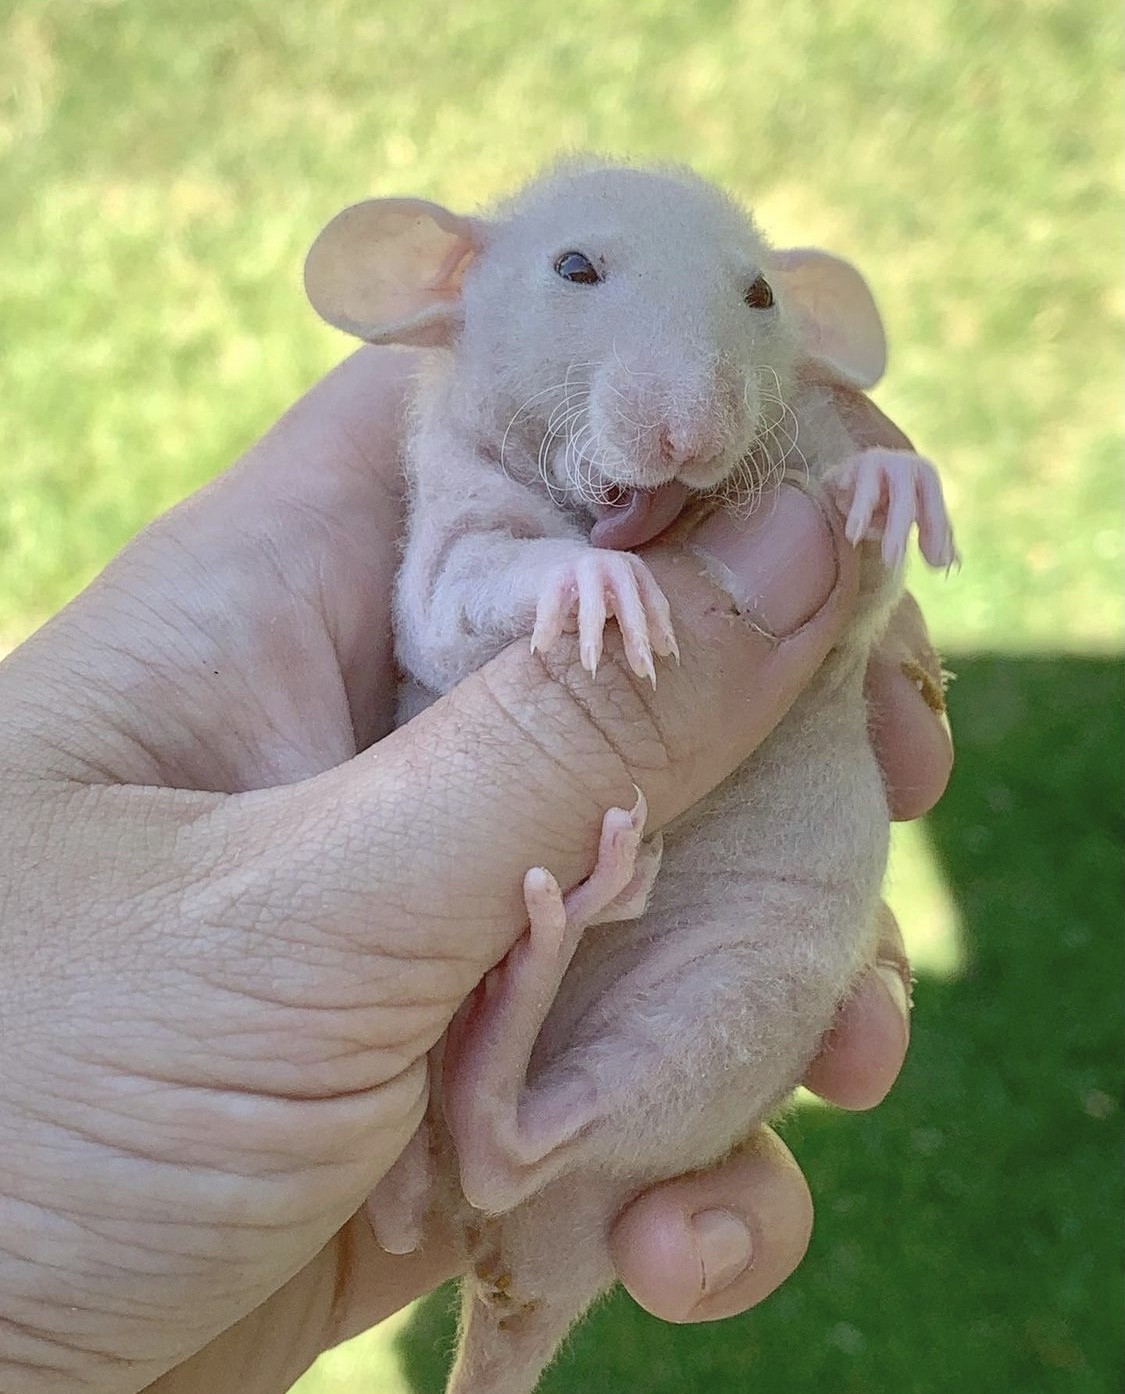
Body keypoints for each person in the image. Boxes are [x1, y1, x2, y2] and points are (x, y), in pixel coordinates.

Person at [0, 348, 952, 1394]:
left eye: (754, 308)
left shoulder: (760, 414)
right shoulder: (468, 429)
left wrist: (872, 496)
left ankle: (500, 1134)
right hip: (522, 1026)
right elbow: (454, 596)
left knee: (773, 970)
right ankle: (501, 1130)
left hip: (644, 948)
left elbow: (843, 590)